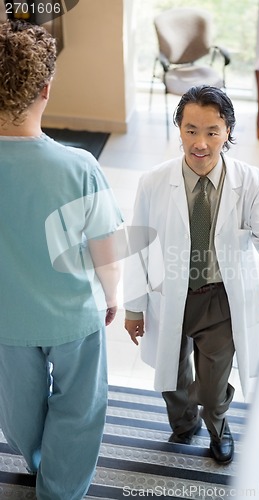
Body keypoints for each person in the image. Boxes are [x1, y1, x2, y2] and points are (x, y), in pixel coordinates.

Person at [124, 85, 259, 465]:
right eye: (190, 130)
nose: (199, 143)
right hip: (169, 295)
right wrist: (134, 308)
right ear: (179, 130)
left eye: (212, 132)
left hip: (219, 299)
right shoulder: (153, 182)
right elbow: (139, 247)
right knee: (171, 375)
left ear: (228, 133)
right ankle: (184, 422)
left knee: (214, 385)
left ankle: (217, 425)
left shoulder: (249, 182)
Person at [0, 20, 123, 499]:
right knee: (80, 407)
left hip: (7, 321)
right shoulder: (79, 167)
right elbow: (106, 248)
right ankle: (61, 489)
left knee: (18, 408)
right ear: (46, 89)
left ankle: (34, 459)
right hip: (74, 318)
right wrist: (112, 295)